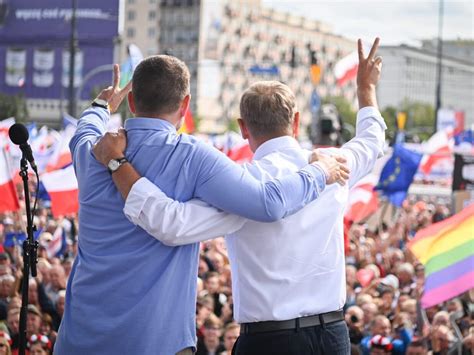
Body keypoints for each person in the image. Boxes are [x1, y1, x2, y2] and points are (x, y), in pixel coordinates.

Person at [93, 38, 385, 354]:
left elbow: (171, 225)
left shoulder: (242, 184)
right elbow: (372, 140)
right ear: (296, 122)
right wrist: (365, 90)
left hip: (269, 341)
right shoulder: (334, 163)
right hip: (332, 337)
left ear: (243, 128)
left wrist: (118, 164)